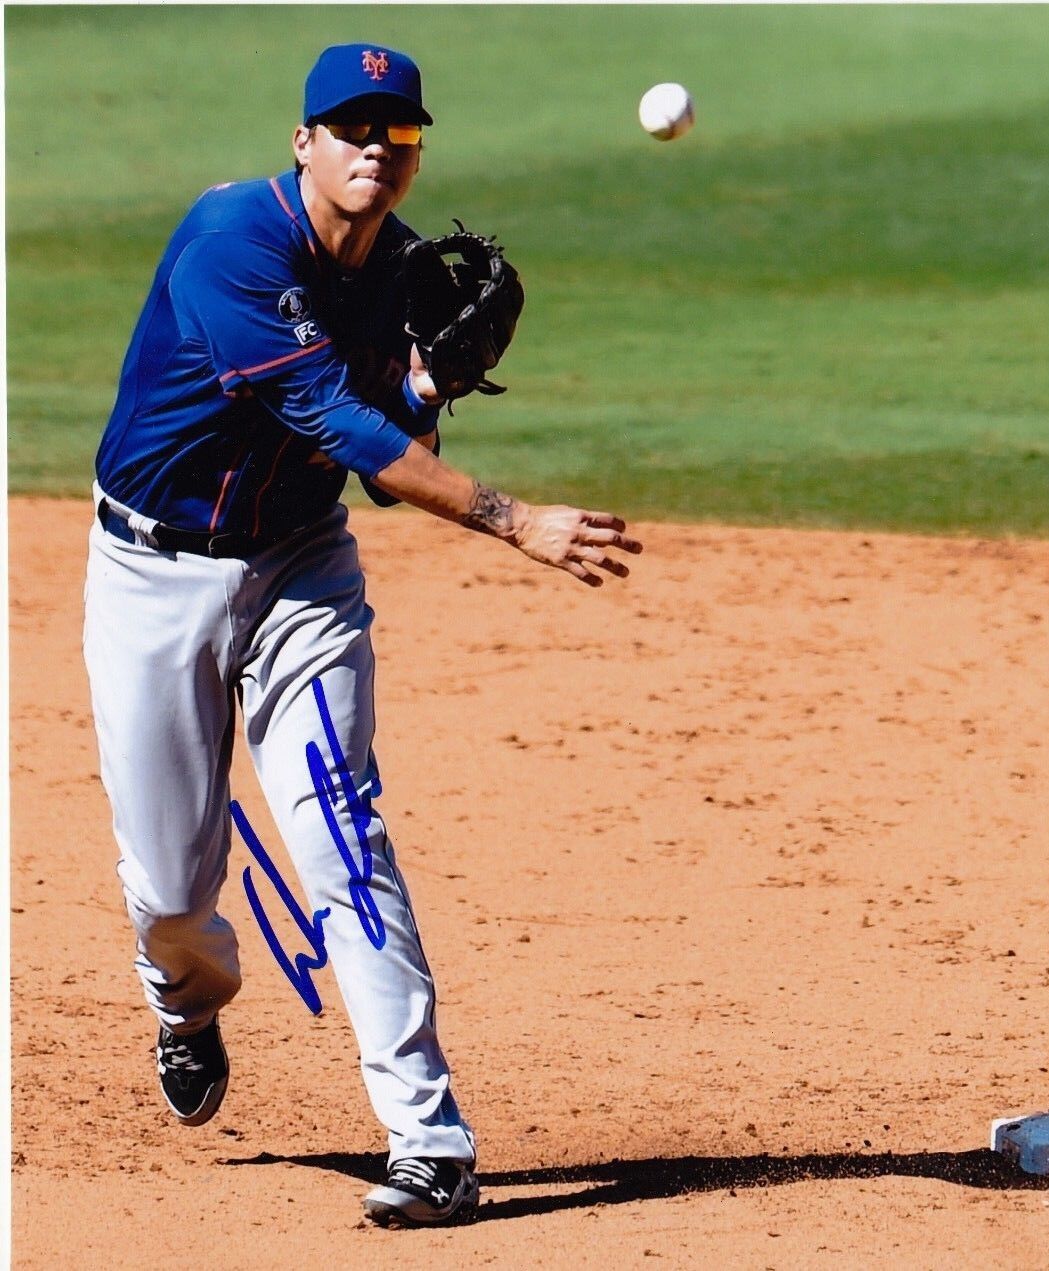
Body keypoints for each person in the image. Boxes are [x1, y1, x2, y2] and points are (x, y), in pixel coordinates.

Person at [83, 43, 641, 1227]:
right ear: (304, 142)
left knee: (344, 838)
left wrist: (428, 386)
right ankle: (184, 1003)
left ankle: (429, 1141)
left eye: (399, 132)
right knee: (172, 888)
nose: (378, 148)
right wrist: (512, 518)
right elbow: (327, 413)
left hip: (300, 572)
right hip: (151, 572)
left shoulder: (394, 268)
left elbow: (384, 473)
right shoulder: (230, 237)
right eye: (352, 127)